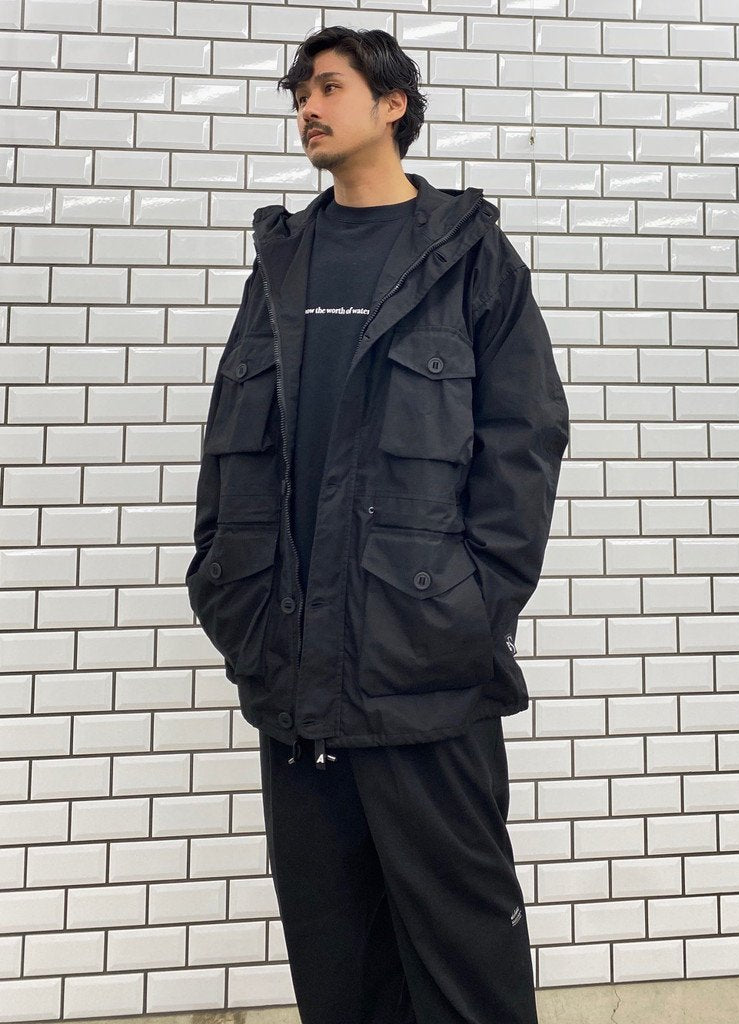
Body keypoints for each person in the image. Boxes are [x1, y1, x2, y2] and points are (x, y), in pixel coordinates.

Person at [184, 24, 569, 1024]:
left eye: (327, 87)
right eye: (299, 94)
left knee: (466, 959)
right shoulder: (283, 262)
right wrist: (226, 582)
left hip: (423, 674)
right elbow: (231, 442)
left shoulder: (468, 257)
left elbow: (523, 444)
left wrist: (467, 612)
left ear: (393, 104)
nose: (306, 108)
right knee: (337, 963)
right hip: (291, 673)